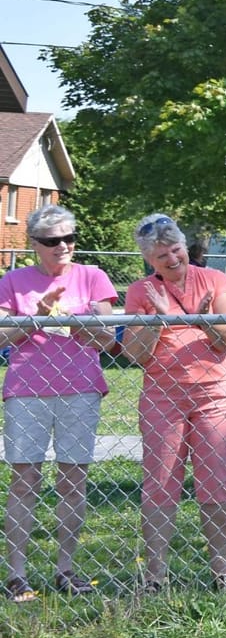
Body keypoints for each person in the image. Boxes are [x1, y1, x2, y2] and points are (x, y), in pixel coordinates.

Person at [0, 205, 119, 600]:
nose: (63, 246)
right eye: (53, 241)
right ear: (35, 244)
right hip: (27, 390)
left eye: (69, 238)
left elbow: (108, 339)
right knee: (24, 481)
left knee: (73, 481)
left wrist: (71, 321)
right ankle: (16, 573)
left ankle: (65, 568)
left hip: (80, 388)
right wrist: (35, 316)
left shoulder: (93, 277)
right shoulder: (13, 281)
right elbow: (0, 339)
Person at [123, 213, 226, 592]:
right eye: (161, 257)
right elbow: (134, 354)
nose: (172, 260)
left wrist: (198, 317)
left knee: (216, 484)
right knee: (160, 484)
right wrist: (158, 319)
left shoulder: (215, 280)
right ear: (150, 261)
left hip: (214, 395)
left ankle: (222, 573)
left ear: (184, 247)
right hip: (162, 397)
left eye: (175, 250)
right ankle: (155, 575)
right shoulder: (140, 291)